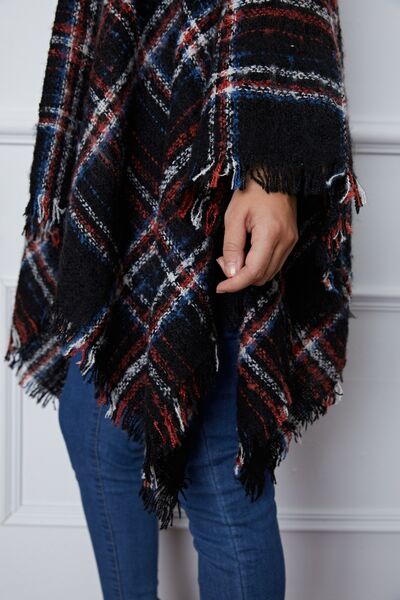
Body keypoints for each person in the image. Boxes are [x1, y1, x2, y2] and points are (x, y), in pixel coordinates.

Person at [58, 170, 295, 599]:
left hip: (203, 185)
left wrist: (270, 176)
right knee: (96, 432)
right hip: (121, 191)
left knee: (217, 469)